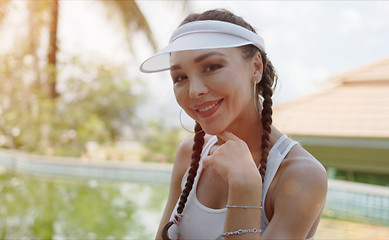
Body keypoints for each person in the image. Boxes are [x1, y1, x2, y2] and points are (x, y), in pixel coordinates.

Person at [140, 9, 327, 240]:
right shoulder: (189, 154)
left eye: (212, 67)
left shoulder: (299, 175)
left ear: (256, 67)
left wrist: (245, 187)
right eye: (180, 77)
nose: (194, 90)